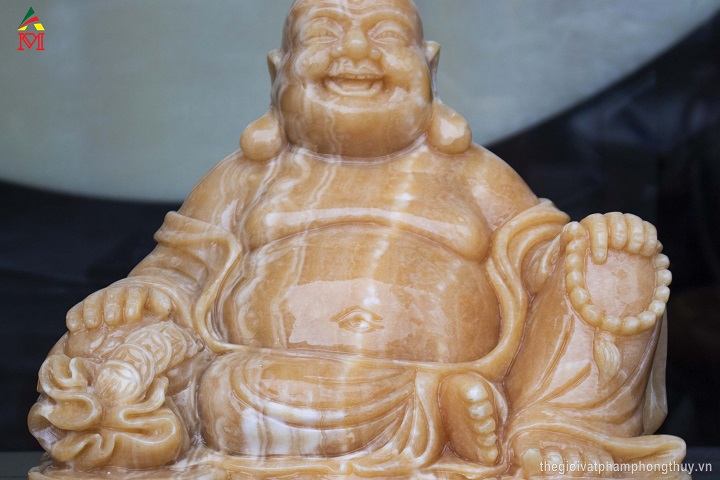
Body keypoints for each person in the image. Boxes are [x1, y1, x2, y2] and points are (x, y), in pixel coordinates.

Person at [29, 1, 686, 478]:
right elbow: (181, 266)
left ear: (428, 67)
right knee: (215, 391)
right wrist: (146, 293)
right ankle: (437, 412)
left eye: (385, 35)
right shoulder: (245, 178)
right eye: (324, 34)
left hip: (472, 368)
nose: (354, 52)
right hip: (270, 381)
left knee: (611, 263)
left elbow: (541, 256)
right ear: (279, 71)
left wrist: (593, 246)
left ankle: (557, 428)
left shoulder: (472, 173)